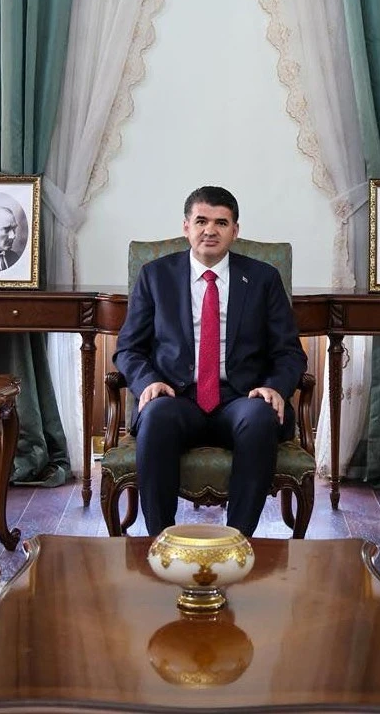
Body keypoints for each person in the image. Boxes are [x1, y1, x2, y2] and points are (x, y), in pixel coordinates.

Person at [113, 186, 306, 537]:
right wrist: (148, 382)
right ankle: (161, 542)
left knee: (260, 417)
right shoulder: (155, 276)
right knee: (155, 416)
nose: (210, 230)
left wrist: (274, 387)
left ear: (235, 230)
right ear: (186, 227)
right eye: (201, 221)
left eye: (221, 222)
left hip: (241, 397)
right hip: (177, 396)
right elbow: (128, 348)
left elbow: (289, 351)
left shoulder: (263, 279)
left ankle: (237, 541)